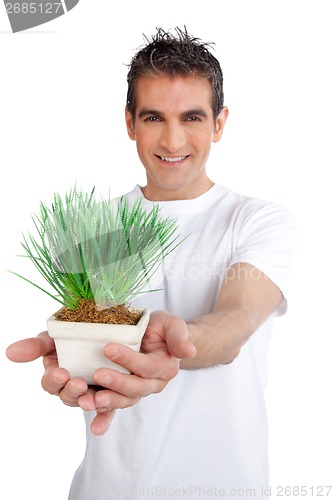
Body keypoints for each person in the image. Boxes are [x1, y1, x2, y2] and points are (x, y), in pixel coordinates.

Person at [6, 27, 296, 499]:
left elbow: (238, 319)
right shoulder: (97, 229)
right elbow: (89, 344)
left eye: (193, 117)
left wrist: (177, 344)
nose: (173, 138)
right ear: (130, 123)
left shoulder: (257, 220)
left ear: (219, 124)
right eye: (154, 116)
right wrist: (72, 362)